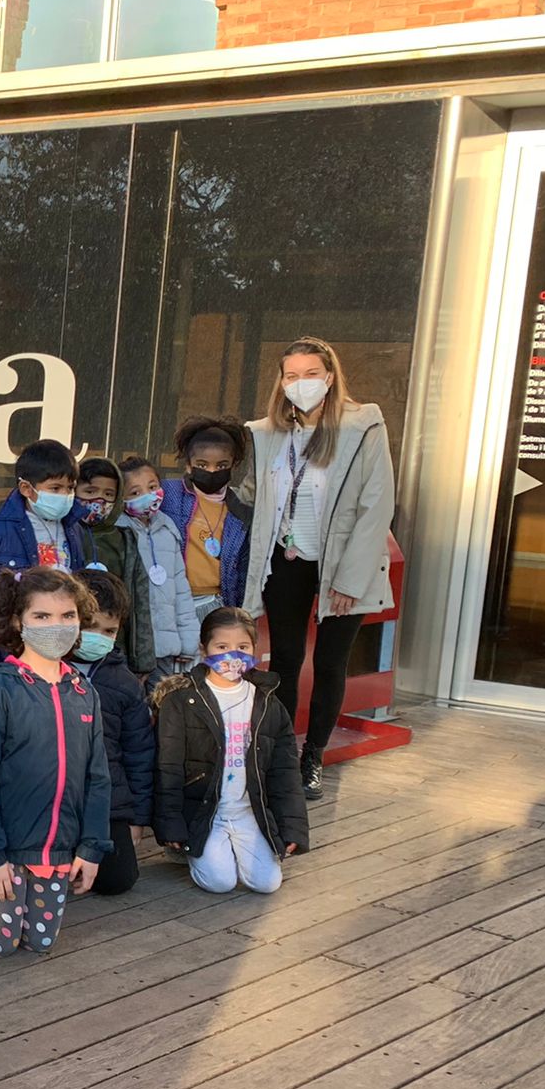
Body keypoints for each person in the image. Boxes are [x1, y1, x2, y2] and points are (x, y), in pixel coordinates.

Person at [239, 337, 397, 800]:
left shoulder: (362, 425)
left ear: (330, 377)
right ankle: (282, 755)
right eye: (292, 375)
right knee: (285, 660)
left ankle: (314, 757)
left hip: (342, 564)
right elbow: (250, 497)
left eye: (311, 374)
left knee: (330, 663)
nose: (301, 383)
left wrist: (350, 579)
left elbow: (376, 506)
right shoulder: (266, 433)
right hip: (286, 560)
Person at [0, 569, 110, 957]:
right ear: (18, 621)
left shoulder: (84, 692)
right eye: (42, 616)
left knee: (40, 941)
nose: (57, 626)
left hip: (58, 851)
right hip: (5, 850)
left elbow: (98, 778)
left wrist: (91, 847)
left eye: (67, 616)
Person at [154, 607, 310, 894]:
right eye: (222, 647)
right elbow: (168, 766)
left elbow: (285, 770)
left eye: (242, 647)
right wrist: (171, 825)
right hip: (206, 811)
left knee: (266, 883)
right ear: (204, 649)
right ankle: (197, 847)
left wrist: (292, 828)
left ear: (254, 648)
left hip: (250, 811)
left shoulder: (267, 701)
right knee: (220, 881)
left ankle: (236, 845)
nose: (232, 656)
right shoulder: (182, 701)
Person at [0, 439, 97, 639]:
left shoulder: (74, 528)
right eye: (55, 488)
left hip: (60, 638)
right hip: (11, 641)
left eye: (70, 488)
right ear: (26, 488)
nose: (65, 495)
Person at [76, 571, 154, 897]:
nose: (98, 637)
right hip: (54, 799)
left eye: (109, 631)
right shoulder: (45, 672)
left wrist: (136, 819)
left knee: (118, 880)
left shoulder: (125, 684)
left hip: (108, 802)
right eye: (90, 626)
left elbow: (139, 754)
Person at [117, 455, 202, 682]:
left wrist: (189, 641)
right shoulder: (118, 532)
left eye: (152, 487)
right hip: (131, 650)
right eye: (135, 492)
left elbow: (181, 590)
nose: (147, 495)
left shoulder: (168, 529)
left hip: (165, 650)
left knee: (162, 700)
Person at [160, 417, 251, 624]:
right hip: (171, 602)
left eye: (221, 466)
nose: (211, 471)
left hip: (217, 603)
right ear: (188, 465)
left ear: (234, 465)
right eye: (202, 464)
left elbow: (243, 570)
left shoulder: (240, 512)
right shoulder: (167, 494)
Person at [75, 456, 155, 674]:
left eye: (109, 494)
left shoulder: (125, 540)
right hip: (69, 649)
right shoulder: (66, 534)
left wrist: (143, 663)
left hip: (114, 650)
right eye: (90, 491)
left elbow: (140, 604)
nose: (100, 500)